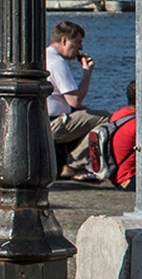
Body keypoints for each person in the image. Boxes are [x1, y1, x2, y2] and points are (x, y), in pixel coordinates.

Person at [46, 20, 109, 178]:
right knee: (106, 118)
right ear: (64, 41)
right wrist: (87, 73)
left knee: (88, 113)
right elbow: (74, 101)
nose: (80, 48)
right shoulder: (57, 63)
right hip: (52, 124)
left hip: (43, 118)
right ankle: (74, 164)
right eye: (78, 42)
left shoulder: (45, 56)